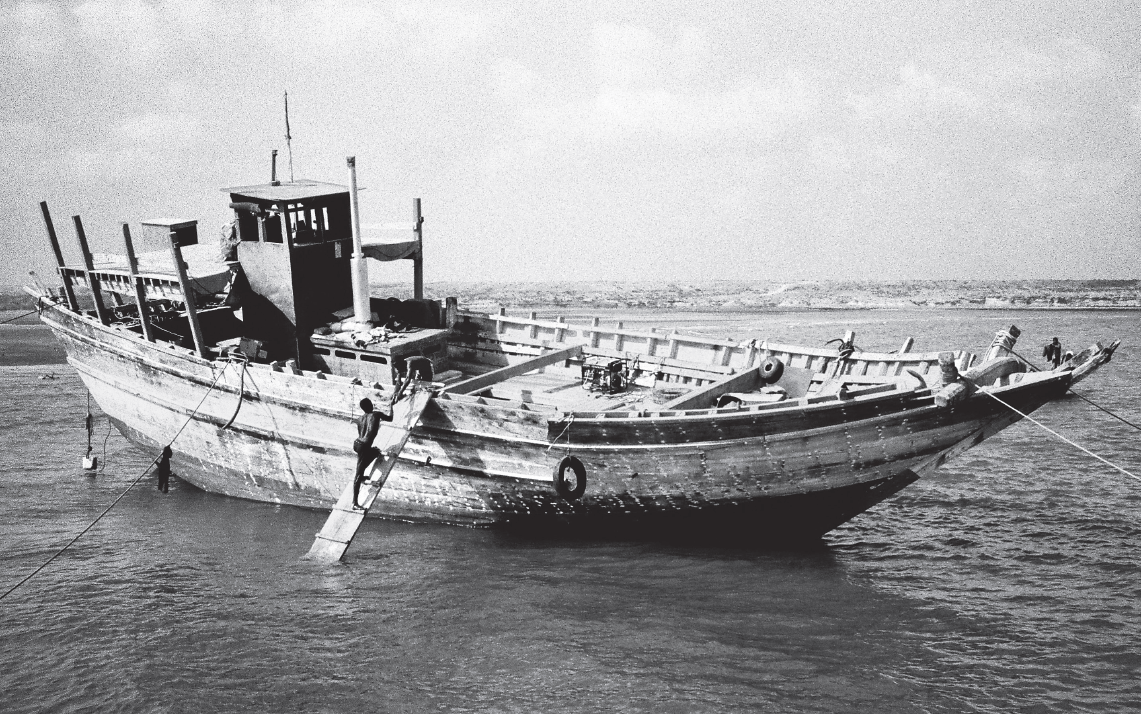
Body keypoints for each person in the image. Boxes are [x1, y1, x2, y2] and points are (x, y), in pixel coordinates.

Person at [352, 397, 392, 509]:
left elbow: (362, 434)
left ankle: (362, 475)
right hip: (363, 446)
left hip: (357, 444)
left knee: (375, 451)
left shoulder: (360, 419)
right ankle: (354, 503)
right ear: (371, 406)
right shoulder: (376, 415)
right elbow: (390, 418)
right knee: (358, 475)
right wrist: (391, 406)